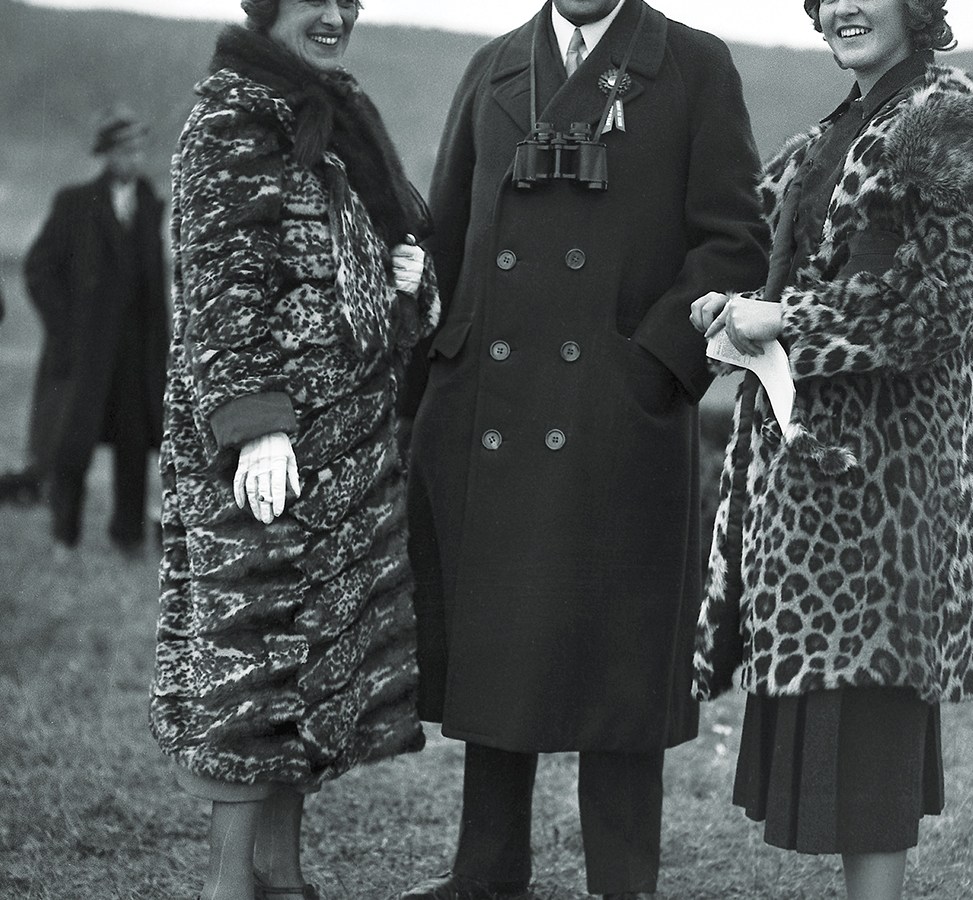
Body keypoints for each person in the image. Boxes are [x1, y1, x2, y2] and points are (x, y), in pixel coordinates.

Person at [401, 1, 770, 897]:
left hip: (617, 416)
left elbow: (735, 240)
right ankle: (486, 871)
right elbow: (445, 238)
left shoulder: (692, 65)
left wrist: (652, 367)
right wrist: (427, 380)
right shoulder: (493, 67)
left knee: (621, 663)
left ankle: (622, 881)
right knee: (499, 639)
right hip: (489, 408)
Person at [690, 2, 973, 898]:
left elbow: (934, 313)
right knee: (842, 731)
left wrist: (786, 319)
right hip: (818, 489)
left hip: (894, 494)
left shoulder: (961, 118)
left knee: (873, 730)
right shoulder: (832, 131)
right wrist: (728, 304)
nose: (841, 6)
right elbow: (772, 259)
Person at [148, 1, 439, 898]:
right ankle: (230, 888)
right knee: (248, 677)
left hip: (343, 458)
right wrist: (256, 425)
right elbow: (222, 291)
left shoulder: (335, 110)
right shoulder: (234, 118)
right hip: (260, 460)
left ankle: (281, 875)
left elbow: (358, 279)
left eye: (350, 1)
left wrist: (403, 285)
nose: (336, 14)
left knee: (308, 678)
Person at [22, 106, 169, 550]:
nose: (135, 158)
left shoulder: (147, 203)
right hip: (85, 352)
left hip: (134, 354)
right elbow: (38, 268)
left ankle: (127, 539)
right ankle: (64, 535)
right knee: (71, 447)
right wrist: (63, 328)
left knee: (132, 447)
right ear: (106, 155)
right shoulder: (74, 203)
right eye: (126, 150)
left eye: (140, 149)